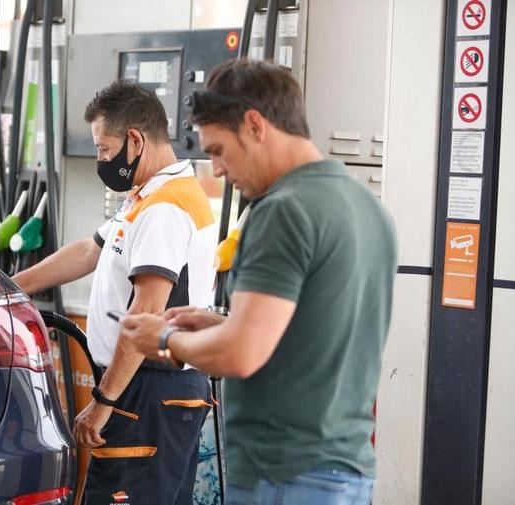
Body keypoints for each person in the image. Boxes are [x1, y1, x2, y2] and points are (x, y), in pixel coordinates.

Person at [119, 59, 397, 505]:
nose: (219, 170)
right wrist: (219, 324)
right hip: (345, 470)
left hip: (284, 474)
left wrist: (164, 339)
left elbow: (243, 354)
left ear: (254, 126)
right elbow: (310, 336)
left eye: (217, 151)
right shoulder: (367, 206)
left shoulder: (283, 211)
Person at [11, 79, 218, 505]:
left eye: (105, 150)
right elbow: (89, 250)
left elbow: (146, 312)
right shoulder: (147, 196)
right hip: (145, 388)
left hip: (149, 390)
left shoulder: (165, 209)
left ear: (136, 140)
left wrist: (103, 400)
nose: (102, 161)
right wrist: (7, 287)